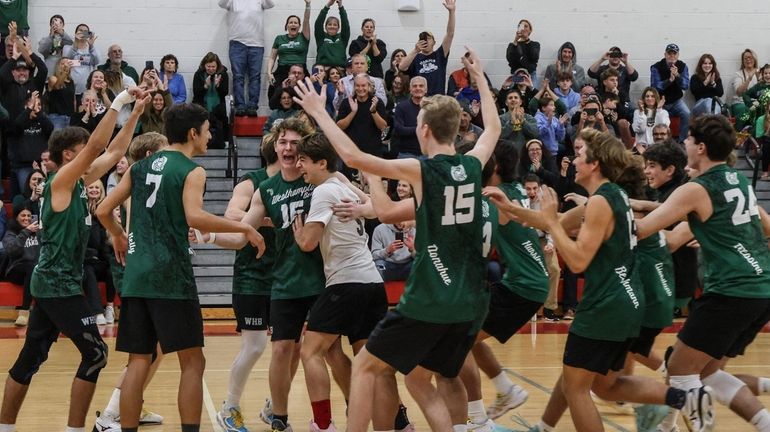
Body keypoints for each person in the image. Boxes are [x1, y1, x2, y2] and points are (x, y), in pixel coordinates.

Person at [292, 46, 500, 432]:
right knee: (437, 377)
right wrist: (480, 80)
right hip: (470, 299)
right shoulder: (472, 165)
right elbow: (494, 128)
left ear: (423, 129)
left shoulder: (421, 169)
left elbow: (353, 157)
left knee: (368, 368)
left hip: (430, 297)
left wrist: (319, 111)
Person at [488, 128, 713, 432]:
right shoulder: (613, 195)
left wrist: (553, 223)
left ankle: (683, 397)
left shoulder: (600, 202)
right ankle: (684, 396)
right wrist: (509, 207)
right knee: (607, 386)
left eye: (580, 155)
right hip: (626, 303)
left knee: (575, 388)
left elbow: (577, 258)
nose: (574, 159)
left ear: (594, 164)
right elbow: (549, 220)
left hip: (605, 306)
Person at [95, 103, 264, 432]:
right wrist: (244, 227)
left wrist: (118, 235)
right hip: (170, 277)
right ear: (192, 133)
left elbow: (103, 209)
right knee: (193, 362)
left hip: (136, 277)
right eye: (206, 129)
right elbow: (194, 217)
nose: (209, 135)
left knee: (137, 362)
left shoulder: (139, 167)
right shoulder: (191, 169)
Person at [0, 87, 146, 432]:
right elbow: (98, 147)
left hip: (59, 283)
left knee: (30, 358)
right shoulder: (61, 181)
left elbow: (113, 151)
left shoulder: (80, 180)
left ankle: (5, 426)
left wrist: (135, 114)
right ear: (69, 155)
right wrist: (119, 100)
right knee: (95, 353)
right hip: (55, 284)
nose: (90, 158)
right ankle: (74, 429)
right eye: (83, 153)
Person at [636, 115, 770, 432]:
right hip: (762, 289)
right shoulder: (738, 181)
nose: (683, 143)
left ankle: (701, 428)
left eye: (687, 139)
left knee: (679, 371)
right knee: (707, 373)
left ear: (700, 147)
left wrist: (595, 215)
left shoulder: (697, 188)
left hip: (731, 292)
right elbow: (766, 225)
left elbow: (642, 230)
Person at [291, 132, 388, 432]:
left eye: (303, 161)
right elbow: (376, 207)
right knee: (370, 363)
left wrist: (298, 233)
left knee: (311, 351)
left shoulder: (322, 192)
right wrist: (363, 208)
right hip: (372, 283)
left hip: (346, 283)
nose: (299, 167)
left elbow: (308, 243)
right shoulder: (344, 184)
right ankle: (396, 419)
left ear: (321, 163)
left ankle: (322, 425)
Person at [457, 140, 548, 430]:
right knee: (465, 330)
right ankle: (506, 389)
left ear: (493, 165)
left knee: (456, 341)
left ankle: (478, 418)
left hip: (524, 287)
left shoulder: (496, 198)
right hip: (522, 282)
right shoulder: (514, 190)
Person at [208, 135, 279, 432]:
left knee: (292, 347)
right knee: (255, 347)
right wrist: (269, 216)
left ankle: (277, 406)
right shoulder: (253, 181)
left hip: (289, 276)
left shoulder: (305, 181)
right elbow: (232, 214)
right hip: (253, 275)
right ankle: (230, 407)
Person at [218, 0, 275, 116]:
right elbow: (221, 3)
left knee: (255, 77)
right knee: (238, 76)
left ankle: (252, 107)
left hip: (257, 44)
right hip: (237, 43)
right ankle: (240, 106)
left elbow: (271, 4)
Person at [398, 0, 456, 96]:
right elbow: (402, 67)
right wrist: (415, 50)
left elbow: (450, 34)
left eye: (428, 38)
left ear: (434, 42)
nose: (426, 41)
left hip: (438, 99)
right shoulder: (416, 57)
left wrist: (452, 12)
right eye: (423, 39)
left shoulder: (440, 54)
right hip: (420, 99)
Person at [2, 202, 40, 327]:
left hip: (35, 270)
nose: (27, 218)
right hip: (15, 270)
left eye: (29, 216)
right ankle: (24, 311)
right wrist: (25, 232)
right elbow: (13, 251)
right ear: (16, 217)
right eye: (23, 215)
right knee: (30, 267)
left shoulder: (39, 233)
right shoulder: (10, 233)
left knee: (34, 268)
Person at [337, 73, 387, 159]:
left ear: (369, 86)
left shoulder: (377, 102)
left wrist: (373, 111)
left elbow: (383, 126)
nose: (360, 89)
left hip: (373, 152)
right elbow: (339, 126)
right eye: (357, 86)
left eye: (363, 85)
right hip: (351, 152)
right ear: (354, 86)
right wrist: (353, 112)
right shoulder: (347, 102)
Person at [267, 0, 311, 98]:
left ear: (299, 26)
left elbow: (306, 20)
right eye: (290, 22)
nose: (293, 24)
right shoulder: (279, 38)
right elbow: (272, 58)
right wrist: (269, 73)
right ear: (287, 26)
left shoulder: (304, 37)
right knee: (274, 92)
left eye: (296, 23)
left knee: (303, 93)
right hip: (282, 70)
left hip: (299, 70)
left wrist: (308, 5)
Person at [650, 43, 690, 142]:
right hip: (660, 102)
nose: (672, 56)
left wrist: (677, 76)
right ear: (665, 54)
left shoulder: (682, 66)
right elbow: (655, 87)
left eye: (674, 54)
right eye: (669, 53)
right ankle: (658, 142)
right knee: (652, 117)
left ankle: (682, 141)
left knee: (687, 114)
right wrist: (669, 81)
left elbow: (685, 86)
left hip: (676, 101)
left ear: (678, 55)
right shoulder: (656, 67)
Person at [391, 76, 427, 158]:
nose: (418, 88)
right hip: (406, 153)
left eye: (421, 86)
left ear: (426, 89)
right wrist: (420, 129)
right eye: (414, 86)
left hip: (427, 154)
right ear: (410, 90)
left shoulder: (432, 107)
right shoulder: (401, 107)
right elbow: (399, 129)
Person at [62, 23, 98, 97]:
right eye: (80, 31)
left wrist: (91, 46)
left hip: (87, 91)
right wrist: (76, 43)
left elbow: (96, 61)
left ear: (88, 35)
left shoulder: (92, 49)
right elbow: (65, 60)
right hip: (71, 90)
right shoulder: (67, 48)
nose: (82, 33)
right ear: (75, 33)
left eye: (85, 31)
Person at [632, 86, 670, 151]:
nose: (650, 98)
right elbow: (639, 130)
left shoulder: (663, 112)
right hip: (642, 147)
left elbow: (663, 128)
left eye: (652, 96)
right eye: (647, 96)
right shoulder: (637, 112)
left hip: (658, 146)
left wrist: (659, 110)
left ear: (656, 98)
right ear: (643, 98)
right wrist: (641, 113)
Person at [314, 0, 349, 68]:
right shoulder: (321, 37)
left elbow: (346, 25)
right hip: (323, 68)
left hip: (339, 69)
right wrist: (328, 6)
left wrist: (340, 7)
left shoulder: (342, 38)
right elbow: (318, 23)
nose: (332, 26)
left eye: (335, 25)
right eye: (329, 24)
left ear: (338, 27)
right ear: (325, 27)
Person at [731, 49, 760, 130]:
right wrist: (749, 79)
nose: (748, 60)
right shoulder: (738, 74)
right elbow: (739, 92)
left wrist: (759, 78)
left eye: (750, 57)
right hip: (740, 103)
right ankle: (738, 134)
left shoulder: (760, 73)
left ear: (754, 59)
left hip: (755, 103)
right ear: (743, 61)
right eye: (745, 58)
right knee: (746, 109)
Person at [46, 57, 76, 129]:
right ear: (58, 66)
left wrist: (74, 115)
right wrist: (64, 72)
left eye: (67, 63)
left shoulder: (71, 81)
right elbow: (57, 86)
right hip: (57, 117)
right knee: (57, 139)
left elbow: (74, 99)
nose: (65, 65)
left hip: (70, 116)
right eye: (62, 64)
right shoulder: (53, 78)